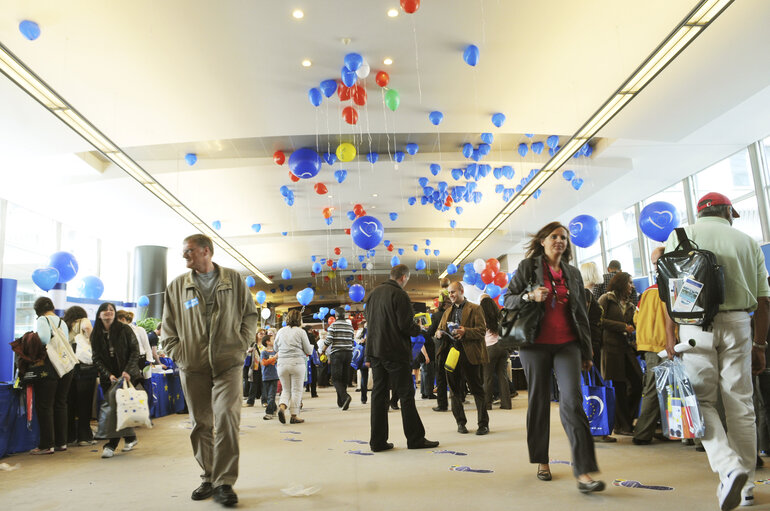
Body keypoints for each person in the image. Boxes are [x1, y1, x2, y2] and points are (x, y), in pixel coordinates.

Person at [664, 192, 770, 510]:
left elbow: (669, 294)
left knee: (700, 402)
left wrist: (670, 335)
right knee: (741, 405)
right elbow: (764, 301)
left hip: (694, 327)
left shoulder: (681, 237)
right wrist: (760, 345)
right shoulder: (747, 242)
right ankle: (747, 486)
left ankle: (728, 467)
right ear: (726, 210)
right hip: (739, 324)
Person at [506, 221, 604, 493]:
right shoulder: (527, 268)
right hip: (534, 344)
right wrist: (529, 295)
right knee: (538, 400)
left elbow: (580, 314)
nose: (559, 240)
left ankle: (584, 471)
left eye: (563, 237)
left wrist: (587, 350)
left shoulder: (572, 273)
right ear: (542, 241)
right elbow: (508, 299)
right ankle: (541, 460)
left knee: (573, 402)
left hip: (567, 344)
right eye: (554, 236)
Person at [162, 234, 258, 507]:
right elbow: (167, 328)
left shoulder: (233, 280)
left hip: (229, 362)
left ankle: (225, 481)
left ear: (206, 251)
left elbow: (250, 315)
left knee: (227, 416)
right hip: (192, 365)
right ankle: (209, 476)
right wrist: (178, 354)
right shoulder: (177, 287)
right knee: (201, 423)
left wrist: (242, 344)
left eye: (189, 251)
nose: (184, 256)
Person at [365, 264, 439, 452]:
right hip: (395, 352)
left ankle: (378, 442)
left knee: (379, 396)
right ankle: (415, 439)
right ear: (404, 277)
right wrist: (419, 329)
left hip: (375, 351)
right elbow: (405, 326)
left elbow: (370, 325)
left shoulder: (373, 294)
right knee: (406, 394)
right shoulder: (400, 295)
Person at [435, 282, 488, 435]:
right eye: (449, 293)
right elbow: (439, 328)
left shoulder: (475, 308)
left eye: (453, 292)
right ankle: (460, 423)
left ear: (461, 291)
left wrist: (466, 332)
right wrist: (439, 333)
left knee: (477, 390)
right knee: (454, 391)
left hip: (470, 354)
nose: (451, 295)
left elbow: (481, 331)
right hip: (452, 354)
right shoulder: (447, 312)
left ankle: (483, 424)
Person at [90, 302, 141, 459]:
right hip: (109, 378)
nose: (108, 312)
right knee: (117, 408)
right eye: (104, 310)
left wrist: (128, 371)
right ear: (99, 314)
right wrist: (108, 374)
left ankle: (111, 444)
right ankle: (130, 437)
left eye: (111, 310)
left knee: (116, 409)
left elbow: (135, 351)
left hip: (126, 374)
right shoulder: (96, 334)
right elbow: (96, 358)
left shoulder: (124, 329)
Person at [633, 247, 670, 445]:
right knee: (681, 389)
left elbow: (636, 318)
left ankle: (643, 433)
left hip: (649, 347)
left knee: (652, 390)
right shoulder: (673, 288)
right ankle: (691, 435)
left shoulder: (647, 293)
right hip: (671, 346)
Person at [598, 272, 642, 437]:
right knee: (619, 387)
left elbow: (631, 324)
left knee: (638, 382)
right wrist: (622, 326)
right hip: (611, 350)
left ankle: (625, 421)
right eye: (629, 283)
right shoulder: (606, 299)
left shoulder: (631, 304)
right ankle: (624, 425)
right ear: (621, 283)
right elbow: (598, 321)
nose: (632, 286)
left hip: (627, 349)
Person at [30, 297, 74, 455]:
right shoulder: (62, 322)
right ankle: (61, 442)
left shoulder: (43, 319)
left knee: (45, 405)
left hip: (49, 367)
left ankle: (46, 445)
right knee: (61, 403)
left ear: (38, 309)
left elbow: (43, 339)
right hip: (66, 366)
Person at [62, 305, 97, 446]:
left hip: (68, 368)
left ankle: (69, 436)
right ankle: (84, 436)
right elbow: (89, 329)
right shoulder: (83, 321)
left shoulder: (65, 326)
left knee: (70, 404)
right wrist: (91, 341)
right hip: (84, 369)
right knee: (85, 404)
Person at [275, 309, 314, 424]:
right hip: (297, 363)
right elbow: (308, 350)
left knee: (286, 389)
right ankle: (294, 415)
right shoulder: (301, 332)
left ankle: (282, 407)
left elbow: (276, 349)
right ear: (299, 319)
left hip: (282, 364)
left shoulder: (281, 331)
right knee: (296, 390)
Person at [320, 307, 355, 410]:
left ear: (336, 316)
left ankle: (345, 397)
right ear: (344, 315)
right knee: (344, 378)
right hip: (348, 354)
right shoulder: (350, 327)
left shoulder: (333, 326)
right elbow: (352, 341)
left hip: (337, 354)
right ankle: (342, 402)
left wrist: (322, 351)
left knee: (335, 379)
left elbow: (328, 340)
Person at [481, 296, 511, 410]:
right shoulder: (500, 316)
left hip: (490, 348)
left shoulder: (482, 317)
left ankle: (487, 404)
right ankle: (506, 404)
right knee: (503, 376)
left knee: (487, 377)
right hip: (502, 347)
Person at [116, 310, 152, 388]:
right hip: (128, 362)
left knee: (143, 385)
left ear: (122, 319)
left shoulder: (139, 330)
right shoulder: (118, 332)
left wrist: (149, 361)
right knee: (128, 386)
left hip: (141, 360)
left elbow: (147, 346)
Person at [579, 262, 604, 372]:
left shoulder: (584, 293)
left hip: (592, 341)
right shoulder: (586, 294)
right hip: (592, 341)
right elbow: (584, 321)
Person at [428, 299, 451, 412]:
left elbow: (431, 331)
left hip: (440, 349)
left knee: (441, 376)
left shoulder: (436, 316)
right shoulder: (456, 313)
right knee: (456, 375)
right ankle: (459, 397)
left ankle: (442, 404)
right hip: (454, 348)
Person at [244, 329, 265, 407]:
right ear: (256, 334)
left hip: (264, 366)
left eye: (263, 333)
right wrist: (249, 351)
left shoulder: (266, 343)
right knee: (253, 384)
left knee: (263, 384)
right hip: (254, 366)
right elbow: (246, 353)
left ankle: (264, 401)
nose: (262, 335)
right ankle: (250, 401)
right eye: (260, 333)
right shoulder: (253, 344)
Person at [260, 334, 279, 419]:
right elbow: (264, 363)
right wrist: (274, 358)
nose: (274, 340)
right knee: (268, 396)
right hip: (266, 376)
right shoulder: (264, 352)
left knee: (271, 395)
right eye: (272, 339)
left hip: (274, 376)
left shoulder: (276, 351)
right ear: (267, 342)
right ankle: (274, 408)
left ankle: (269, 413)